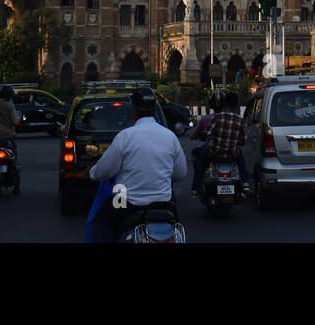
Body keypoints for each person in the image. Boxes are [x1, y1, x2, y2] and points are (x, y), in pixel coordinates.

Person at [89, 86, 186, 242]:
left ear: (133, 110)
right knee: (177, 226)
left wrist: (93, 172)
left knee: (101, 223)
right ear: (155, 109)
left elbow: (104, 171)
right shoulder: (170, 136)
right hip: (164, 203)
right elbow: (180, 173)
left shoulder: (125, 136)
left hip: (125, 202)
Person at [198, 91, 248, 193]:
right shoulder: (240, 120)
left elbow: (207, 133)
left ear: (224, 103)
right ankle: (246, 182)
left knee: (201, 162)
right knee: (242, 162)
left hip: (215, 153)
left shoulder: (216, 117)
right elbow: (242, 140)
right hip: (232, 154)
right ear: (236, 105)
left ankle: (195, 187)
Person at [188, 90, 222, 194]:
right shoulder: (233, 117)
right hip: (230, 150)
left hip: (211, 149)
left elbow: (196, 135)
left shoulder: (207, 118)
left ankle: (195, 186)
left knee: (198, 159)